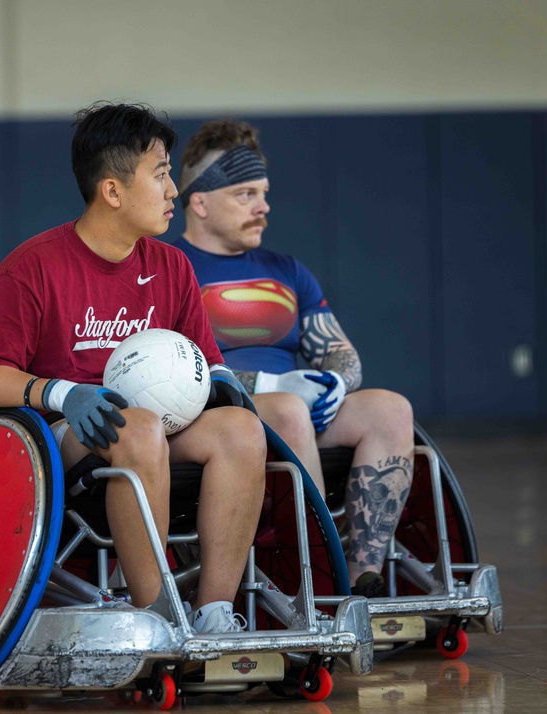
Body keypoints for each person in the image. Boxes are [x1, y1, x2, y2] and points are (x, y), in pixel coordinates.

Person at [0, 103, 266, 633]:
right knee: (138, 425)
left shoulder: (172, 265)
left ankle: (215, 614)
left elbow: (208, 361)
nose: (173, 190)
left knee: (242, 429)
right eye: (162, 175)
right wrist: (64, 395)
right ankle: (159, 619)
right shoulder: (30, 267)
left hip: (156, 430)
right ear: (113, 191)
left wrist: (221, 387)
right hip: (59, 435)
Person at [173, 119, 414, 598]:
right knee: (287, 410)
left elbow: (339, 350)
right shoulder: (167, 267)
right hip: (222, 414)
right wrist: (269, 385)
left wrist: (337, 383)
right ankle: (321, 583)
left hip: (300, 409)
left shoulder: (288, 271)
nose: (264, 207)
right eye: (245, 194)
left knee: (390, 407)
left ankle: (360, 575)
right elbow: (174, 373)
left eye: (263, 192)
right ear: (199, 202)